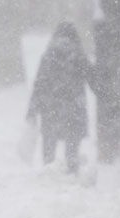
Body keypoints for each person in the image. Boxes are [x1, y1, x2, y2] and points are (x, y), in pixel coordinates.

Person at [26, 22, 92, 174]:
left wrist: (32, 111)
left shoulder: (49, 56)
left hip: (51, 110)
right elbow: (94, 80)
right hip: (74, 110)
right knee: (72, 153)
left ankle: (49, 179)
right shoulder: (79, 56)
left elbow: (39, 85)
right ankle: (72, 179)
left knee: (49, 152)